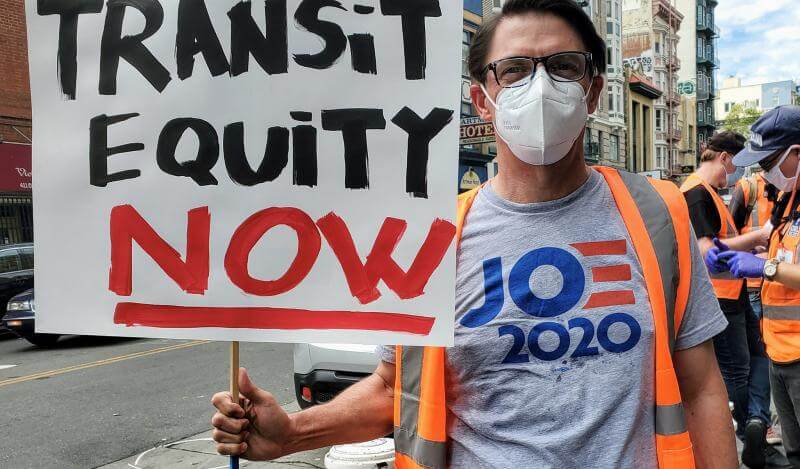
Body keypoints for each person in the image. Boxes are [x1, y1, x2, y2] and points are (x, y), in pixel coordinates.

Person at [211, 1, 738, 467]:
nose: (540, 85)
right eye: (513, 71)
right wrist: (292, 434)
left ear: (593, 90)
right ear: (482, 100)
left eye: (563, 66)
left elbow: (702, 388)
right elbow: (397, 390)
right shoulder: (433, 237)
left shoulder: (656, 213)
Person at [680, 132, 778, 468]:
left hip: (733, 294)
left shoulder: (706, 192)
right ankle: (750, 430)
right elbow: (707, 252)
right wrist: (760, 236)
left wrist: (749, 248)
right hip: (718, 300)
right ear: (724, 157)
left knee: (759, 357)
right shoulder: (694, 192)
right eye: (736, 164)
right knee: (737, 370)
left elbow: (721, 242)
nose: (736, 173)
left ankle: (755, 423)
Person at [712, 105, 800, 467]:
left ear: (796, 153)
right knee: (794, 452)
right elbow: (769, 236)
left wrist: (764, 268)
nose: (764, 172)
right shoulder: (790, 200)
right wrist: (727, 250)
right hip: (781, 350)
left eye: (769, 162)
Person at [729, 169, 785, 448]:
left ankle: (767, 421)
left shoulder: (789, 191)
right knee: (762, 356)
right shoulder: (748, 187)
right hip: (753, 284)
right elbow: (730, 229)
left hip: (780, 283)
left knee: (770, 356)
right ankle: (763, 421)